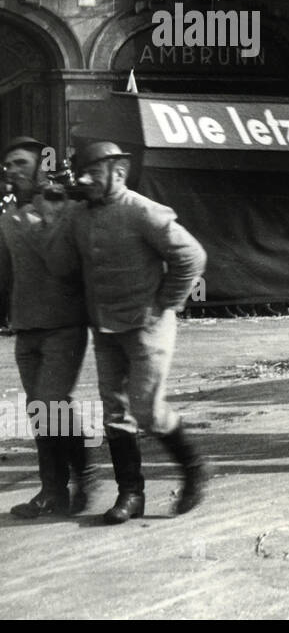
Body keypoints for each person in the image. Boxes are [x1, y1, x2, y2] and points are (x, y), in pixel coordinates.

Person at [40, 142, 207, 523]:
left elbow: (191, 256)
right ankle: (131, 495)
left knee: (146, 409)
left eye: (93, 172)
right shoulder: (79, 216)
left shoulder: (142, 210)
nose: (84, 179)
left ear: (119, 172)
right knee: (115, 412)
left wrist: (166, 302)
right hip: (105, 327)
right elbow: (60, 266)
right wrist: (57, 216)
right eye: (80, 173)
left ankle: (194, 468)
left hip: (147, 327)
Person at [0, 137, 94, 518]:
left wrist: (45, 211)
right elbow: (6, 270)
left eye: (21, 163)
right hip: (26, 324)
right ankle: (52, 490)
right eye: (8, 164)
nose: (11, 170)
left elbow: (66, 262)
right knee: (39, 409)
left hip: (64, 322)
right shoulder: (8, 214)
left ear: (41, 167)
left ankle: (84, 478)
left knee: (50, 399)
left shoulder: (65, 209)